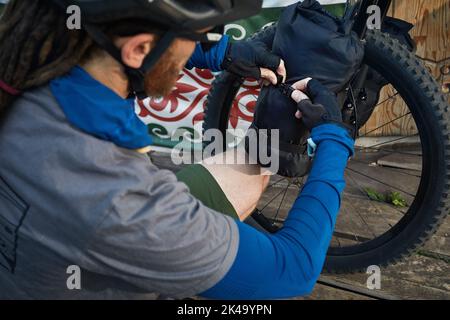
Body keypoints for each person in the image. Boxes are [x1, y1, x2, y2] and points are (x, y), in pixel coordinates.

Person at [0, 0, 354, 299]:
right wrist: (333, 138)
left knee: (251, 163)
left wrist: (222, 52)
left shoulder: (26, 66)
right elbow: (295, 269)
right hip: (110, 234)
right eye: (198, 35)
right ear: (139, 49)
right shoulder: (122, 201)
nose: (202, 40)